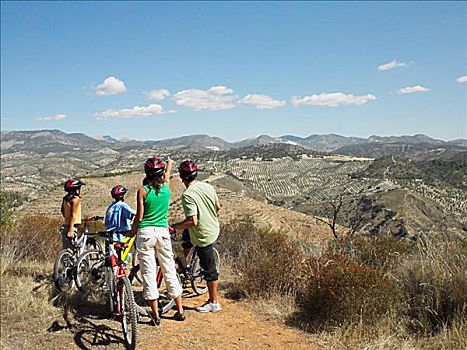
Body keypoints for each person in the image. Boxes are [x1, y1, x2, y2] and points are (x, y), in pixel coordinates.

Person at [128, 156, 185, 323]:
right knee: (169, 269)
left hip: (146, 233)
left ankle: (155, 314)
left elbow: (139, 217)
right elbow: (167, 176)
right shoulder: (166, 189)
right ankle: (180, 310)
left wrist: (131, 233)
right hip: (162, 232)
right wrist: (170, 164)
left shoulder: (143, 191)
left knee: (148, 272)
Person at [172, 160, 222, 313]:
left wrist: (174, 227)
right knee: (185, 242)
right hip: (212, 228)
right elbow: (218, 207)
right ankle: (183, 268)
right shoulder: (207, 186)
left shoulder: (187, 195)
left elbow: (192, 221)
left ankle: (214, 302)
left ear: (182, 177)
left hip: (203, 235)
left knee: (209, 270)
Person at [60, 178, 85, 250]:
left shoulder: (65, 198)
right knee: (73, 248)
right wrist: (71, 229)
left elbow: (62, 211)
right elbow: (73, 215)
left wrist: (67, 219)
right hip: (73, 226)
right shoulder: (75, 199)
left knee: (67, 249)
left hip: (65, 225)